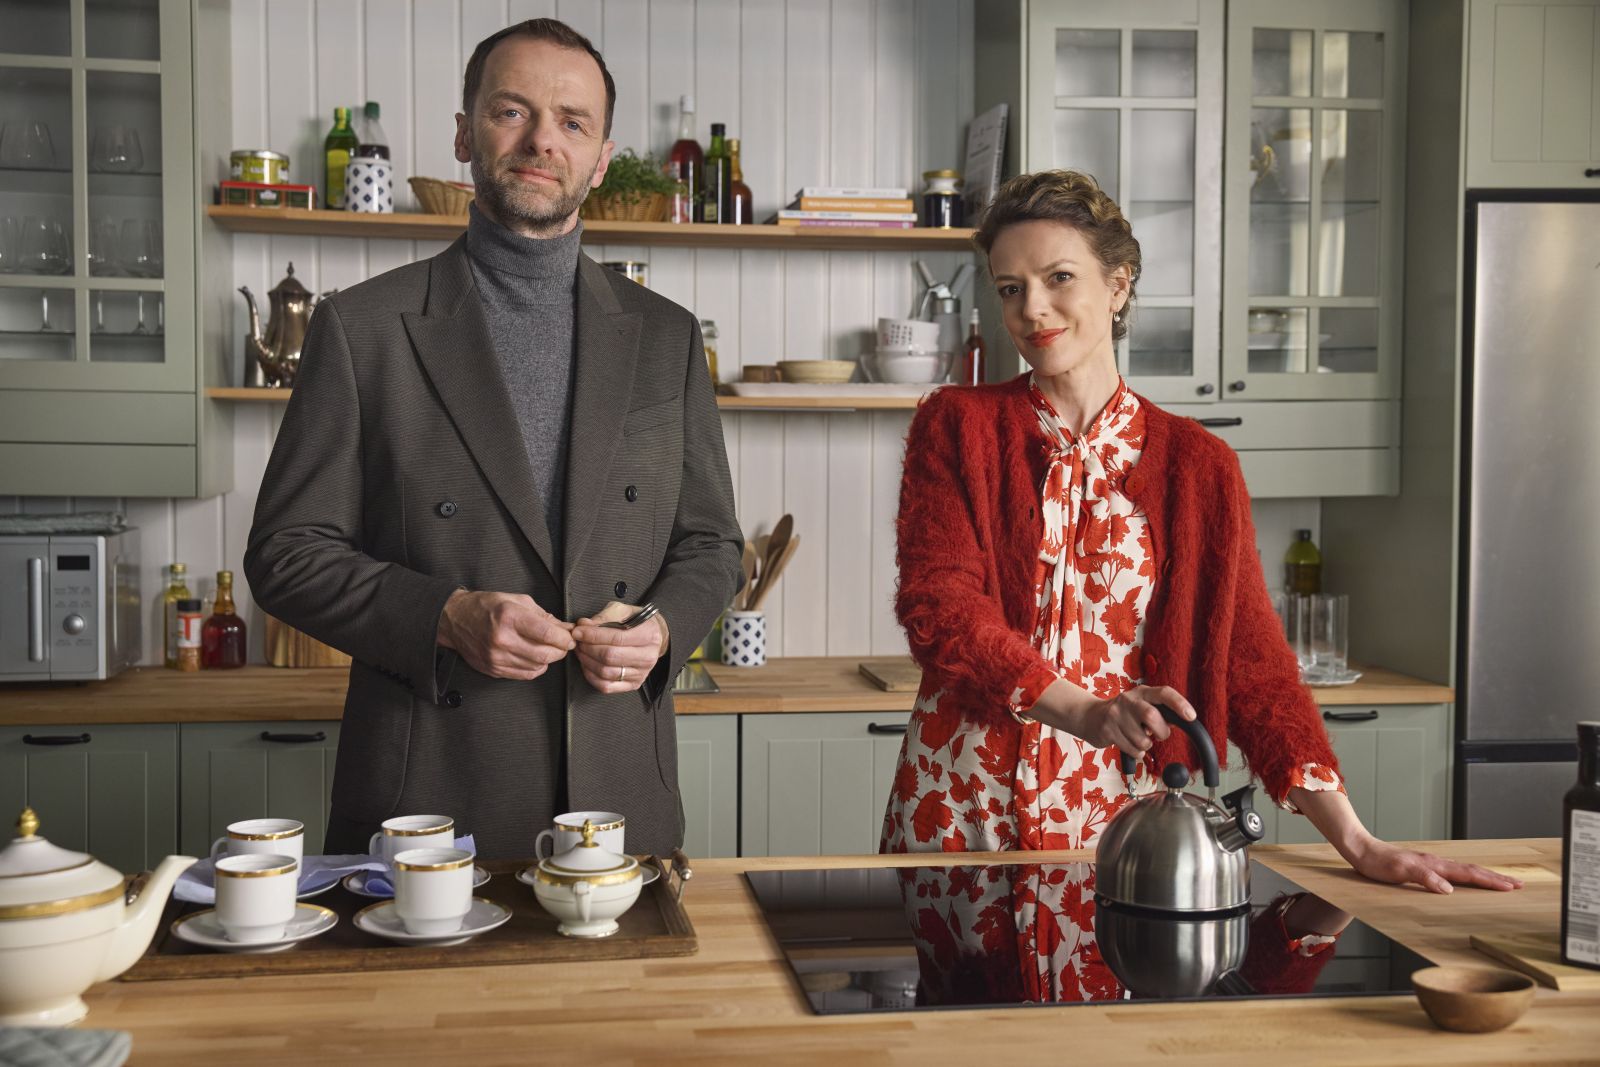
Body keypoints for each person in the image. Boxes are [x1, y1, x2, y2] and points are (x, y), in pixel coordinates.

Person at [880, 169, 1519, 900]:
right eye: (1010, 288)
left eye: (1059, 277)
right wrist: (1087, 710)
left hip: (1125, 831)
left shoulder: (1199, 465)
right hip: (963, 813)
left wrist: (1356, 840)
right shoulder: (956, 426)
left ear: (1117, 285)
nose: (1033, 309)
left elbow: (1252, 662)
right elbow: (941, 607)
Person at [245, 19, 743, 860]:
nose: (543, 140)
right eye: (512, 111)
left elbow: (712, 542)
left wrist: (660, 628)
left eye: (572, 122)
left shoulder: (667, 337)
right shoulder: (362, 330)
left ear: (600, 157)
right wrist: (444, 615)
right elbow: (285, 554)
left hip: (620, 795)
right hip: (427, 798)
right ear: (464, 132)